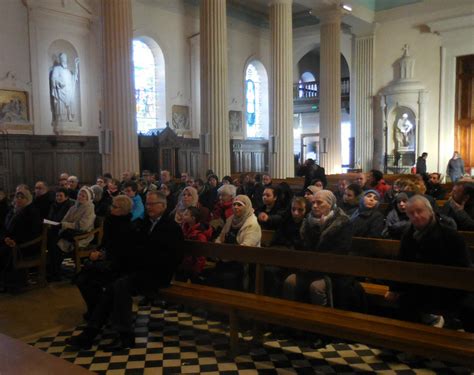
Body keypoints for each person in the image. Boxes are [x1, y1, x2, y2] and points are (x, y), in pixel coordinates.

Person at [69, 191, 184, 351]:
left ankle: (123, 336)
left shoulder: (171, 227)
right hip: (139, 271)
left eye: (152, 204)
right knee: (113, 286)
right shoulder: (143, 224)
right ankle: (92, 334)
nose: (148, 207)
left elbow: (173, 257)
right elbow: (133, 249)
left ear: (163, 206)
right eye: (147, 204)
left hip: (158, 274)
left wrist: (143, 262)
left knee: (120, 285)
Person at [384, 195, 474, 332]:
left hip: (446, 287)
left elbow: (462, 268)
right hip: (418, 285)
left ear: (430, 211)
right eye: (411, 213)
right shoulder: (408, 234)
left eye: (419, 211)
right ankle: (409, 344)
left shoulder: (450, 235)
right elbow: (402, 262)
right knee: (404, 301)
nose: (416, 216)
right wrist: (394, 288)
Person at [283, 191, 364, 312]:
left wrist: (321, 231)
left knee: (316, 287)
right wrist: (316, 231)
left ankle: (321, 324)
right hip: (310, 267)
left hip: (333, 270)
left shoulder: (343, 222)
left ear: (330, 204)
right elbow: (304, 246)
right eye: (313, 202)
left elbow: (341, 250)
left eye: (319, 202)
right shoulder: (308, 221)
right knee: (290, 282)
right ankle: (293, 321)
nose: (315, 206)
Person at [75, 195, 136, 322]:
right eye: (112, 205)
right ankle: (96, 309)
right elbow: (105, 243)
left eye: (114, 206)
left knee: (88, 278)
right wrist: (97, 251)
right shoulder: (110, 220)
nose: (111, 208)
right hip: (109, 260)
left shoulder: (129, 226)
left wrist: (102, 255)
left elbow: (123, 251)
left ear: (123, 210)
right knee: (82, 279)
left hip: (121, 265)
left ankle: (99, 311)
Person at [206, 195, 261, 291]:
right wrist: (217, 248)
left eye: (239, 205)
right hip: (225, 258)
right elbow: (221, 237)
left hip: (242, 262)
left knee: (226, 278)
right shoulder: (230, 220)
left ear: (246, 207)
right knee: (212, 276)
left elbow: (246, 248)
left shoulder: (252, 224)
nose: (235, 207)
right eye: (234, 204)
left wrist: (226, 255)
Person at [0, 189, 42, 291]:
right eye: (17, 197)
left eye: (22, 197)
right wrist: (6, 238)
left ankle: (10, 283)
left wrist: (15, 241)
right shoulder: (14, 210)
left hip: (27, 245)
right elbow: (5, 228)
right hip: (12, 241)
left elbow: (32, 233)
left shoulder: (32, 212)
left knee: (3, 251)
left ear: (28, 199)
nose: (18, 199)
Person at [46, 188, 75, 281]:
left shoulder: (69, 206)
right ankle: (52, 269)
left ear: (66, 197)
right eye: (57, 196)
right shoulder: (54, 205)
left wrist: (54, 224)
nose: (58, 198)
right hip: (55, 229)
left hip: (65, 231)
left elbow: (63, 220)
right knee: (48, 241)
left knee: (54, 244)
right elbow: (50, 217)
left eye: (60, 196)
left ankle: (56, 272)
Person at [57, 187, 96, 253]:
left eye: (83, 196)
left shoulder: (89, 208)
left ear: (88, 198)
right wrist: (63, 225)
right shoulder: (74, 207)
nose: (80, 197)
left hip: (82, 235)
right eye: (79, 194)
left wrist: (65, 225)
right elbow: (65, 219)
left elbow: (83, 226)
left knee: (54, 241)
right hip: (69, 232)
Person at [50, 52, 79, 122]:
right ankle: (62, 118)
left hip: (68, 91)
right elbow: (53, 79)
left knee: (70, 101)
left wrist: (76, 67)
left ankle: (69, 116)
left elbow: (73, 79)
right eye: (62, 58)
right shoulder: (56, 69)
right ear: (60, 60)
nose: (64, 59)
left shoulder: (68, 71)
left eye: (65, 58)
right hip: (61, 90)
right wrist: (59, 82)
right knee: (62, 106)